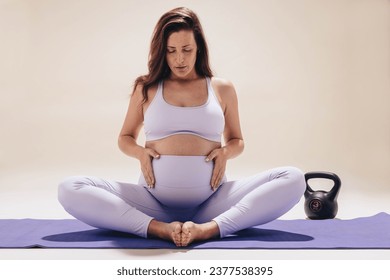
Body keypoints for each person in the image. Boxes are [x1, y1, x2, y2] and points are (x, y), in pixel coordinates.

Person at [58, 7, 306, 247]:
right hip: (153, 202)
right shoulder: (146, 88)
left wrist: (226, 153)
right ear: (162, 52)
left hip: (212, 201)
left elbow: (236, 140)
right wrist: (140, 153)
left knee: (293, 178)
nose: (179, 58)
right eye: (171, 50)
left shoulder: (222, 88)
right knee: (70, 188)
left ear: (199, 48)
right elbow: (125, 137)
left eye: (187, 49)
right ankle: (158, 228)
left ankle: (208, 229)